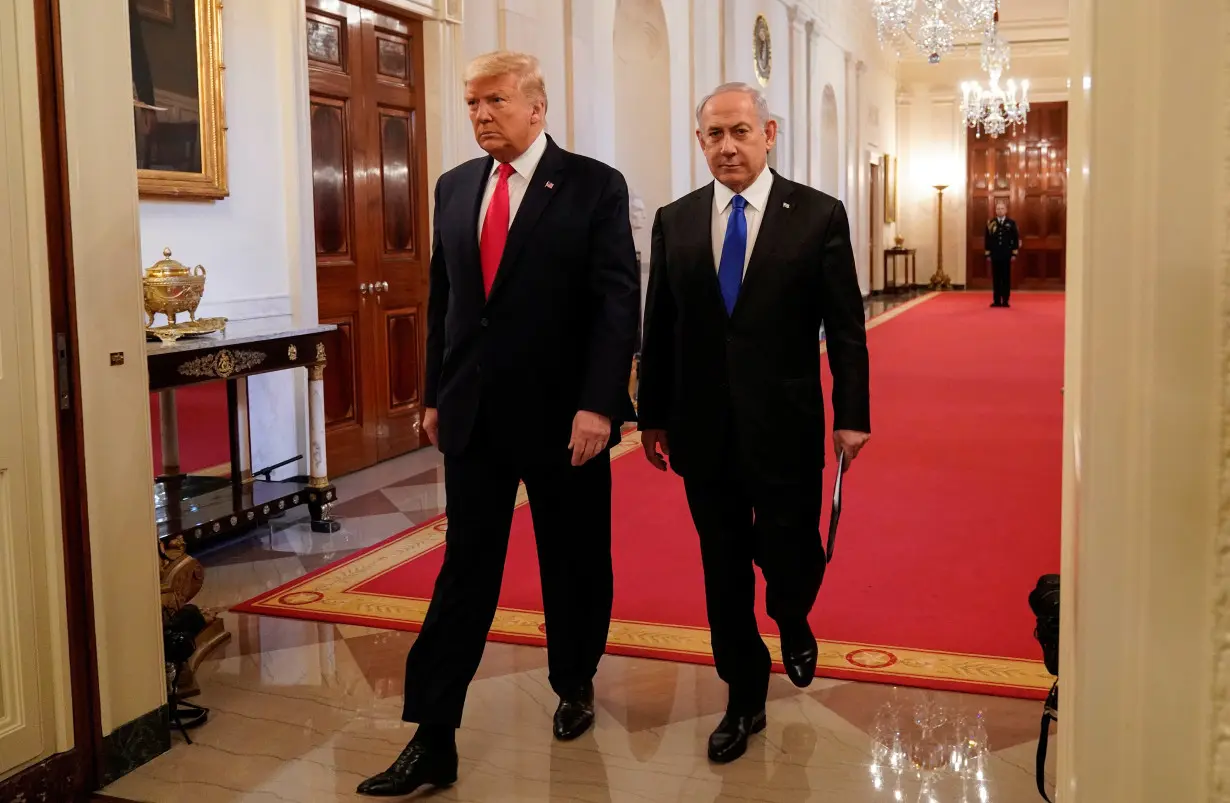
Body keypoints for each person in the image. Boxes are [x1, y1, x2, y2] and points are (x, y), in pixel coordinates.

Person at [357, 50, 640, 797]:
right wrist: (432, 393)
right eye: (472, 103)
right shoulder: (455, 187)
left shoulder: (593, 186)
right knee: (464, 570)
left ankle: (574, 679)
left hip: (566, 418)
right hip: (475, 416)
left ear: (537, 108)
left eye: (496, 101)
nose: (481, 114)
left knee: (574, 559)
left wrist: (601, 403)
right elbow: (444, 302)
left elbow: (617, 302)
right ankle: (433, 734)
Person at [636, 82, 871, 764]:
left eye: (741, 131)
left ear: (769, 134)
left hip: (788, 425)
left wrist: (851, 414)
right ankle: (743, 694)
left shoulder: (817, 215)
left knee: (792, 549)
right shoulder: (676, 219)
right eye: (715, 134)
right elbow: (663, 325)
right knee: (724, 564)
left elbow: (846, 327)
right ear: (700, 141)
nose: (728, 145)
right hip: (702, 428)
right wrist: (652, 413)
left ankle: (793, 613)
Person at [985, 200, 1020, 307]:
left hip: (1006, 254)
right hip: (995, 254)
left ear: (1006, 210)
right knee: (996, 278)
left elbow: (1015, 239)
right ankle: (996, 300)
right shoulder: (991, 223)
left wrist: (1014, 253)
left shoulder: (1011, 223)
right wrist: (988, 253)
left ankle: (1005, 300)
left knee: (1005, 278)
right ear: (995, 211)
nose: (1000, 211)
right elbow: (987, 239)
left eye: (1002, 209)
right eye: (998, 209)